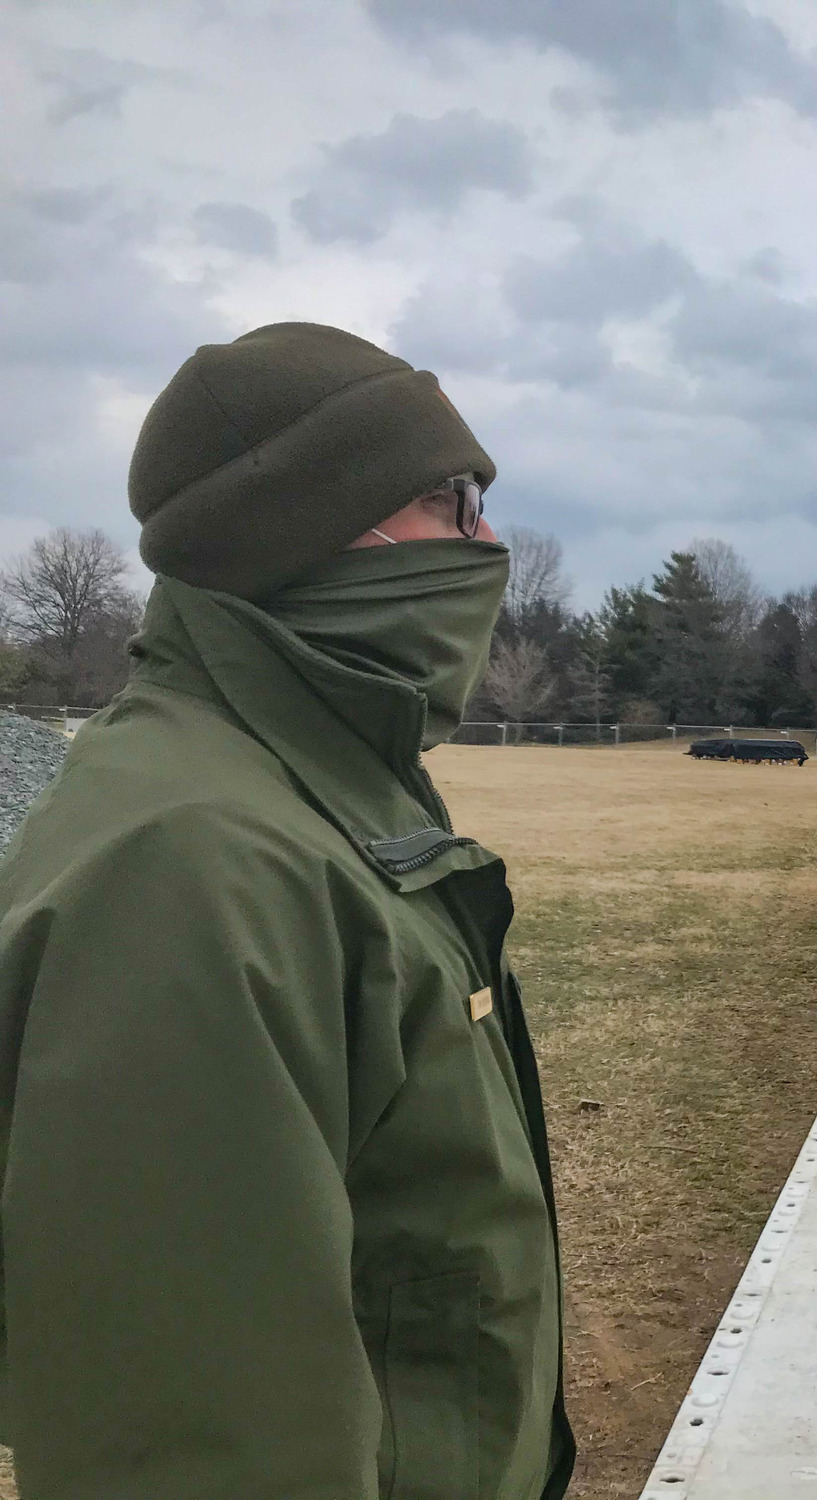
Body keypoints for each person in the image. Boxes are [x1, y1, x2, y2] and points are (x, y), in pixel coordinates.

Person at [0, 323, 572, 1499]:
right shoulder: (190, 863)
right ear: (313, 525)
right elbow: (194, 1434)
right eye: (451, 499)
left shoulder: (307, 787)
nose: (487, 540)